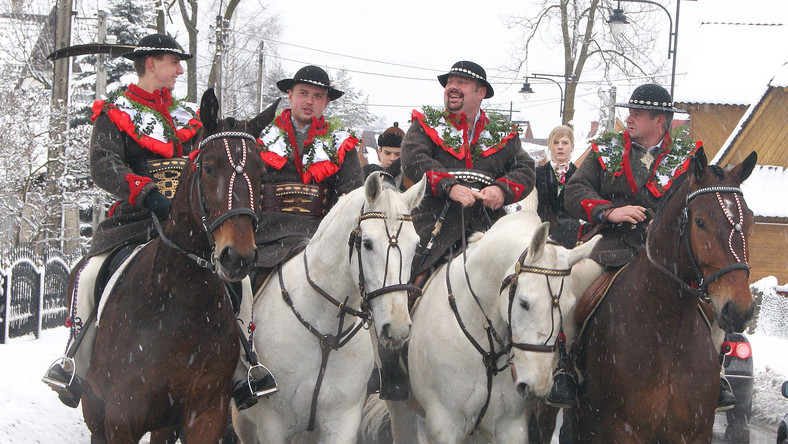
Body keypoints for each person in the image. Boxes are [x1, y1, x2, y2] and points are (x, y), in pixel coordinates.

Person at [548, 83, 735, 410]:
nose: (629, 118)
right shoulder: (605, 150)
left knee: (710, 299)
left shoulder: (688, 159)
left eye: (637, 114)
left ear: (660, 120)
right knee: (572, 281)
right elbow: (575, 191)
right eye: (629, 112)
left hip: (667, 255)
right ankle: (564, 367)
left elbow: (699, 207)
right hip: (610, 246)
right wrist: (609, 211)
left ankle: (715, 374)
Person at [42, 34, 203, 407]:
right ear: (151, 64)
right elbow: (103, 166)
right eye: (173, 62)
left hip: (188, 225)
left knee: (235, 281)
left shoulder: (187, 118)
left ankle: (246, 362)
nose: (180, 70)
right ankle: (75, 362)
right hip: (134, 219)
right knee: (89, 275)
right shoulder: (115, 112)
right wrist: (146, 193)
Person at [382, 60, 535, 400]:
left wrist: (503, 189)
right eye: (450, 81)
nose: (453, 87)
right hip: (434, 226)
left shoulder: (503, 135)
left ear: (481, 93)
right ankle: (392, 367)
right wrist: (448, 185)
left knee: (530, 291)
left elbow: (526, 169)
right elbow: (414, 159)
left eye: (462, 83)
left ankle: (525, 370)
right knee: (402, 285)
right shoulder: (424, 125)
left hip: (488, 229)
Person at [253, 64, 363, 290]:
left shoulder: (341, 145)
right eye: (303, 94)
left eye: (318, 96)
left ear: (326, 103)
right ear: (290, 96)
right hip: (266, 237)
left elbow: (352, 198)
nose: (310, 102)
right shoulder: (260, 138)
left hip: (317, 239)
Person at [535, 125, 581, 249]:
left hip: (571, 239)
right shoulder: (537, 174)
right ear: (550, 146)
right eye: (556, 143)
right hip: (541, 236)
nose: (560, 147)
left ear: (572, 147)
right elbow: (530, 208)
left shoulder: (580, 176)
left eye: (565, 143)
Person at [362, 122, 406, 190]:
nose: (392, 158)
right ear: (380, 152)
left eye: (397, 154)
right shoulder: (366, 176)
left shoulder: (409, 182)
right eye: (387, 153)